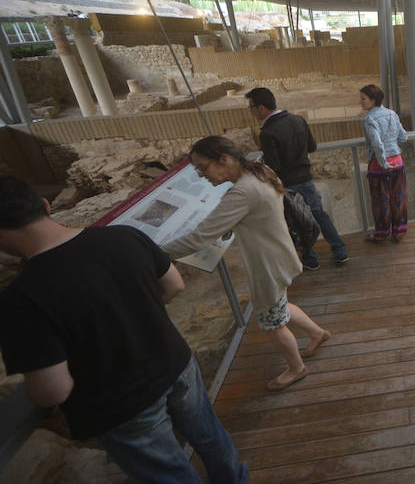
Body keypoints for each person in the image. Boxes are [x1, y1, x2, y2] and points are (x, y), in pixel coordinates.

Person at [0, 176, 248, 483]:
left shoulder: (20, 300)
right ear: (45, 205)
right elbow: (174, 285)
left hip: (121, 402)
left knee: (171, 473)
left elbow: (53, 390)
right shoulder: (123, 236)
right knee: (212, 440)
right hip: (176, 362)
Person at [163, 136, 330, 392]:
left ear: (224, 159)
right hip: (280, 255)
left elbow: (199, 238)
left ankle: (296, 368)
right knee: (278, 306)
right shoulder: (259, 170)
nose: (202, 176)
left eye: (203, 168)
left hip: (267, 266)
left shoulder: (242, 191)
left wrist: (152, 251)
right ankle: (317, 333)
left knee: (272, 323)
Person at [246, 87, 349, 269]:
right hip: (306, 179)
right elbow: (312, 146)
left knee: (296, 222)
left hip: (287, 185)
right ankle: (340, 250)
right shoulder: (298, 120)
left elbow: (275, 167)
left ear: (261, 108)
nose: (251, 111)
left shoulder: (267, 133)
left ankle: (310, 259)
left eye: (251, 107)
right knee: (319, 215)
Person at [360, 83, 409, 241]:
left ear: (373, 100)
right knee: (398, 198)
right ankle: (399, 231)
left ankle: (382, 233)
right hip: (398, 162)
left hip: (379, 166)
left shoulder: (369, 119)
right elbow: (403, 137)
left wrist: (383, 163)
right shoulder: (392, 114)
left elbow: (377, 143)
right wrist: (392, 143)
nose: (361, 102)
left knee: (381, 201)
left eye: (363, 99)